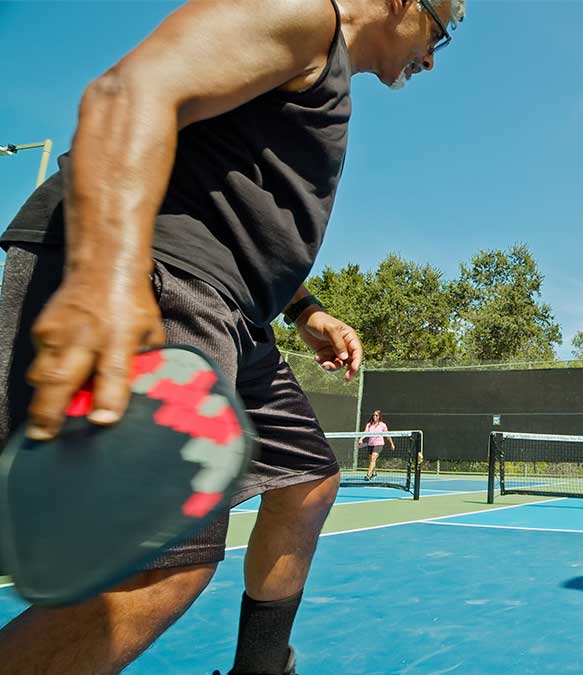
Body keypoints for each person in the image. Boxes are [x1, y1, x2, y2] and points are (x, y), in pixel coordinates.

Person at [0, 0, 466, 673]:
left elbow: (237, 203)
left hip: (235, 314)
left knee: (308, 481)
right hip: (162, 277)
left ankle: (262, 668)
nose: (429, 58)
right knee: (159, 569)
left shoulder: (321, 73)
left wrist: (305, 310)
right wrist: (112, 273)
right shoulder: (305, 14)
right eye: (439, 34)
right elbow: (132, 90)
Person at [359, 410, 396, 480]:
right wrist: (361, 439)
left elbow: (387, 435)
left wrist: (392, 444)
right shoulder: (369, 424)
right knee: (371, 460)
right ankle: (374, 473)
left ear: (379, 417)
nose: (374, 417)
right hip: (370, 444)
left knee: (373, 459)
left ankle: (368, 475)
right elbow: (365, 432)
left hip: (379, 444)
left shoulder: (383, 425)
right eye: (373, 415)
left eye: (376, 415)